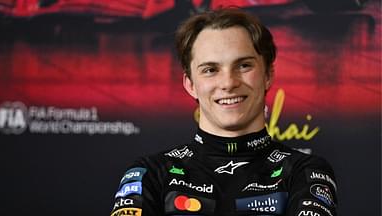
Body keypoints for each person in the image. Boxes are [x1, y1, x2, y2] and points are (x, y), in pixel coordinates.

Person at [110, 8, 338, 216]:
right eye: (210, 70)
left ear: (268, 74)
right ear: (190, 84)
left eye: (244, 65)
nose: (228, 83)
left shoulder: (303, 172)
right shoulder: (150, 174)